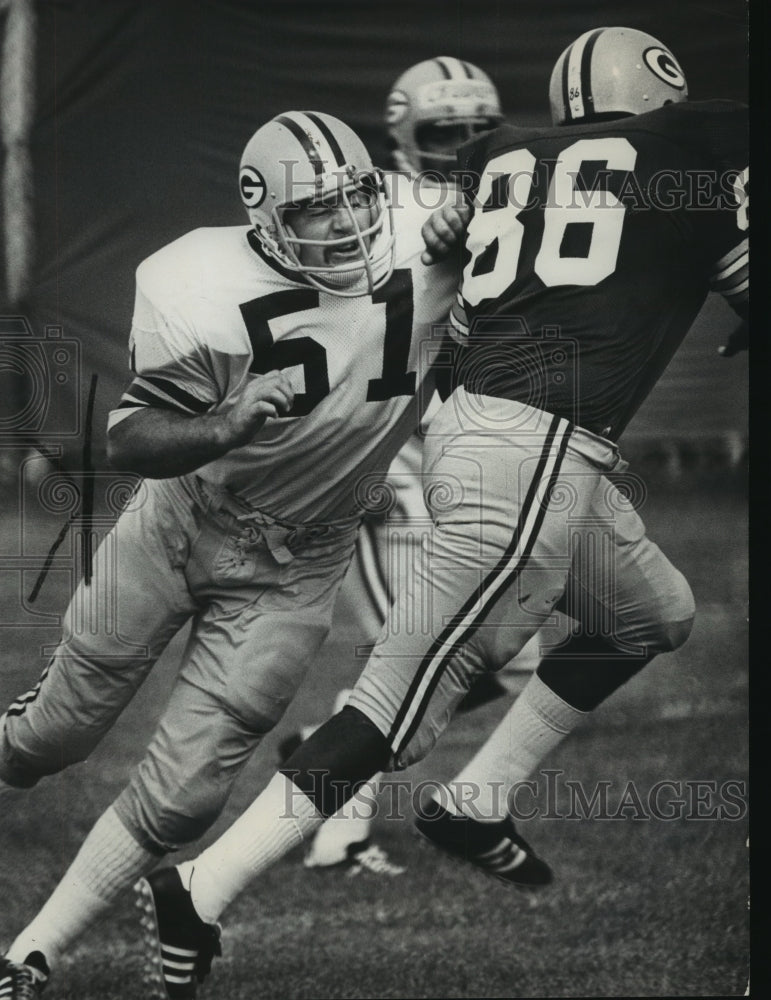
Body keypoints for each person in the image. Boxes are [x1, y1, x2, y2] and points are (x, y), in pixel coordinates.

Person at [113, 27, 746, 999]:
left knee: (653, 611)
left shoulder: (512, 161)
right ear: (662, 88)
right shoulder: (692, 148)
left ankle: (479, 797)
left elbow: (456, 239)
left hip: (490, 429)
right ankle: (198, 886)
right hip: (531, 445)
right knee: (403, 701)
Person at [0, 110, 460, 994]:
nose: (348, 221)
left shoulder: (433, 223)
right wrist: (227, 421)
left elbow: (540, 220)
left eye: (356, 195)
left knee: (187, 795)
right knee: (56, 733)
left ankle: (31, 952)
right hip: (181, 521)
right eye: (316, 209)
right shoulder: (192, 275)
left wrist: (467, 231)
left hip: (304, 559)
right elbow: (133, 437)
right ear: (265, 222)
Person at [301, 55, 508, 872]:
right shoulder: (360, 212)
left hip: (464, 450)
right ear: (401, 134)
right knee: (405, 653)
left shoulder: (509, 193)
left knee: (502, 653)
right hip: (378, 455)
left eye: (474, 129)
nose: (460, 142)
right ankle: (335, 833)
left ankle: (322, 757)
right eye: (442, 131)